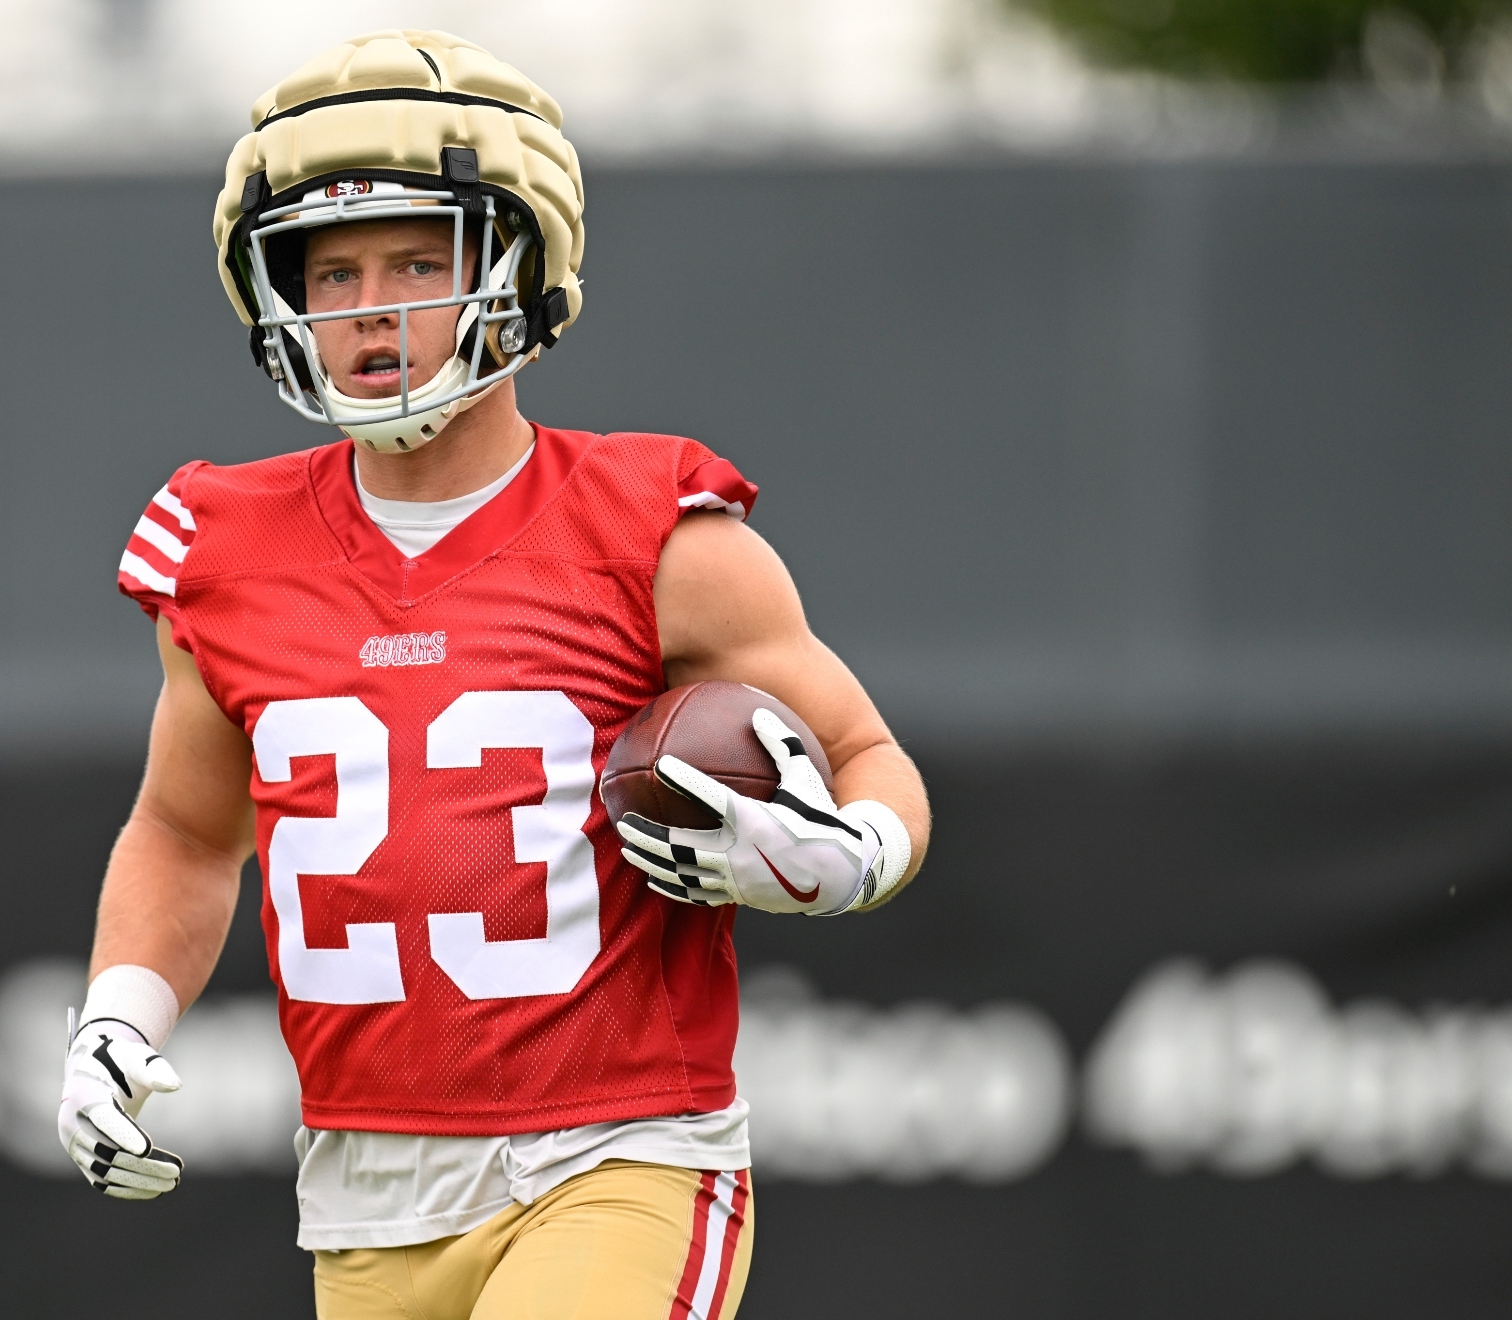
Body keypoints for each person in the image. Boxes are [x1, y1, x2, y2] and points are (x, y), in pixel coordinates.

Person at [58, 30, 930, 1320]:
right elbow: (188, 834)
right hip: (363, 1185)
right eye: (333, 268)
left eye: (417, 260)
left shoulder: (659, 532)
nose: (369, 304)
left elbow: (870, 759)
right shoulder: (223, 549)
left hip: (619, 1152)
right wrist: (116, 1017)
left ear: (523, 271)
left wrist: (847, 854)